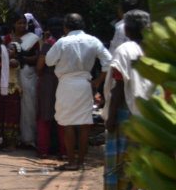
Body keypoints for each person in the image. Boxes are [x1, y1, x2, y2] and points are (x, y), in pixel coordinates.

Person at [45, 13, 111, 171]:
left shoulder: (62, 42)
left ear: (65, 27)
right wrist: (98, 81)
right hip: (85, 83)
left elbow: (48, 61)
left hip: (67, 84)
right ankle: (81, 162)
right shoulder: (93, 40)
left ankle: (71, 162)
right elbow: (108, 61)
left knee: (67, 123)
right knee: (84, 123)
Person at [103, 10, 154, 190]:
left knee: (125, 157)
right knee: (146, 157)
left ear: (127, 28)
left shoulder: (125, 50)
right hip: (152, 111)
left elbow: (118, 86)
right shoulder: (156, 48)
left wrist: (111, 116)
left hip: (127, 109)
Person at [36, 16, 66, 158]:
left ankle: (43, 150)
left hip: (48, 80)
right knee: (63, 117)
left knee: (45, 115)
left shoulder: (49, 44)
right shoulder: (67, 43)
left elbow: (40, 65)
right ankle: (64, 150)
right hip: (64, 80)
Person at [12, 13, 41, 148]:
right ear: (13, 24)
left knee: (28, 106)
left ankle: (28, 138)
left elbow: (37, 57)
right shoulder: (7, 38)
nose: (22, 25)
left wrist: (22, 58)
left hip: (27, 74)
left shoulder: (33, 39)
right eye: (19, 23)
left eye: (24, 23)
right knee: (13, 107)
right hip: (11, 77)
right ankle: (12, 138)